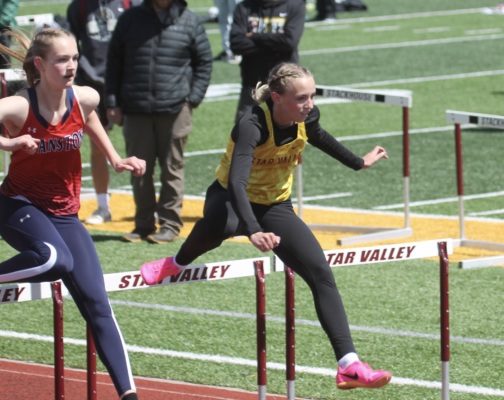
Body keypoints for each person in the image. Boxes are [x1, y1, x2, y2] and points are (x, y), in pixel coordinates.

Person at [140, 63, 392, 390]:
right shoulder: (252, 124)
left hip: (275, 204)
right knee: (223, 223)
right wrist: (253, 230)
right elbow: (237, 182)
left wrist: (360, 162)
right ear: (276, 98)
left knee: (320, 271)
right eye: (301, 98)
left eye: (312, 96)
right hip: (230, 197)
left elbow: (320, 137)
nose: (310, 104)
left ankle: (349, 365)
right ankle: (175, 263)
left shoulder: (307, 118)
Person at [0, 27, 145, 400]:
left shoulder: (85, 97)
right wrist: (6, 142)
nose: (71, 66)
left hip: (65, 214)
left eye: (75, 58)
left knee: (99, 305)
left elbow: (88, 117)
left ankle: (129, 395)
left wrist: (114, 158)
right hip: (19, 206)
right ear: (40, 65)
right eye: (62, 60)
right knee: (55, 259)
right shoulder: (20, 106)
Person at [105, 0, 212, 244]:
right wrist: (112, 102)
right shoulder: (130, 19)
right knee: (138, 171)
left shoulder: (190, 20)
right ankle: (143, 224)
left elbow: (204, 62)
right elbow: (114, 62)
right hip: (135, 108)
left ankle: (170, 224)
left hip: (175, 109)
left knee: (172, 168)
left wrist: (192, 99)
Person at [67, 0, 141, 225]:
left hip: (127, 82)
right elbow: (69, 44)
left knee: (140, 145)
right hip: (92, 84)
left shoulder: (132, 4)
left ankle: (146, 209)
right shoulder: (79, 6)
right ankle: (103, 206)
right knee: (98, 147)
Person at [230, 0, 305, 121]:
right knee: (244, 130)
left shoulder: (295, 5)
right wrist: (276, 44)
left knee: (288, 131)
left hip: (286, 86)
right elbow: (236, 45)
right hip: (253, 86)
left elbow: (289, 41)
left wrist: (253, 36)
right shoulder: (244, 7)